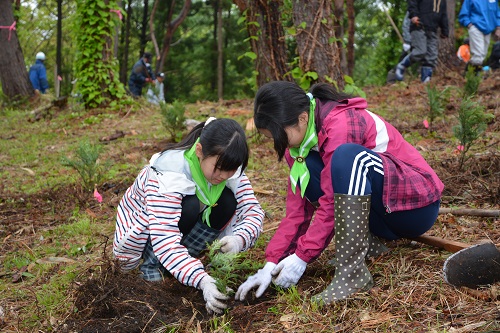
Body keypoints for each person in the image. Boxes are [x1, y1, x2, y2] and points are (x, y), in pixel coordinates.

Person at [235, 81, 444, 305]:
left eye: (279, 135)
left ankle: (352, 274)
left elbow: (330, 201)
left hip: (415, 209)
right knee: (313, 166)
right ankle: (367, 244)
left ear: (302, 118)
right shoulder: (299, 147)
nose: (278, 143)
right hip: (383, 218)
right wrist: (271, 262)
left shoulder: (341, 123)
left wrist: (302, 257)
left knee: (348, 157)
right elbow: (297, 210)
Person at [113, 117, 265, 314]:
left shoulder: (226, 165)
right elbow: (164, 240)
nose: (224, 176)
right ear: (200, 151)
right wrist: (201, 280)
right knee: (191, 205)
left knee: (227, 201)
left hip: (177, 237)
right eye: (219, 169)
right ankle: (152, 269)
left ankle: (183, 264)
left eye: (231, 171)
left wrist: (239, 239)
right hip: (148, 239)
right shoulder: (169, 173)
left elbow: (252, 210)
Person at [395, 0, 449, 83]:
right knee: (420, 51)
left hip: (432, 29)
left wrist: (445, 30)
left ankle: (425, 80)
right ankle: (402, 65)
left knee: (431, 56)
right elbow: (412, 2)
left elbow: (443, 14)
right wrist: (414, 15)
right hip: (419, 26)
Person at [458, 0, 500, 73]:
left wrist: (498, 27)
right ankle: (475, 75)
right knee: (478, 54)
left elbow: (497, 13)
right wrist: (469, 25)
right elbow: (464, 13)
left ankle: (468, 73)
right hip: (476, 27)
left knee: (483, 54)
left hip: (488, 29)